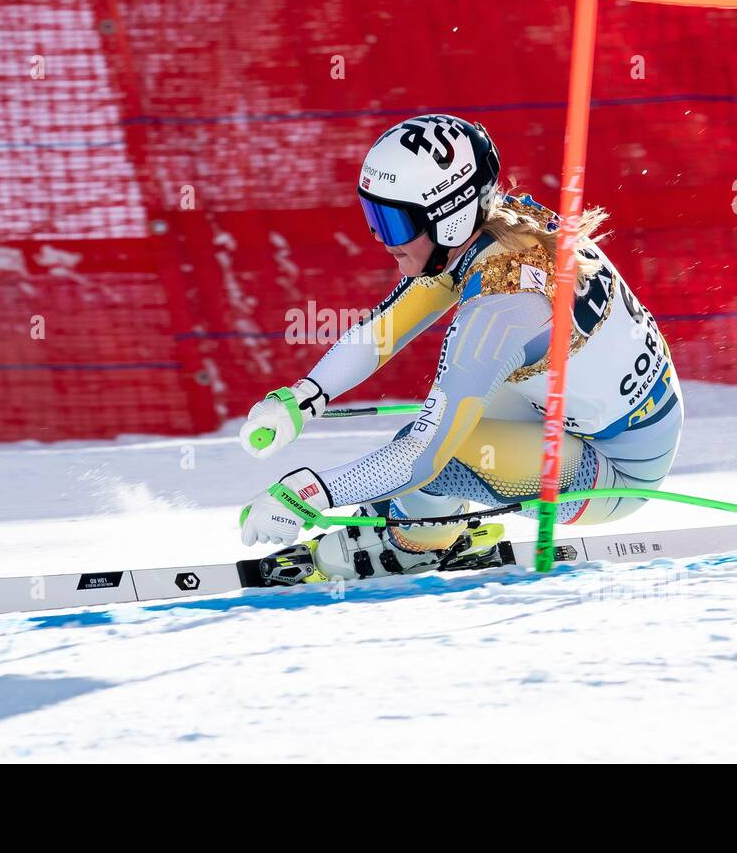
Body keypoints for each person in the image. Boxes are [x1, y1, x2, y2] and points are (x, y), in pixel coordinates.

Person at [238, 114, 682, 580]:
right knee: (432, 432)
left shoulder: (504, 304)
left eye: (392, 223)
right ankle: (430, 520)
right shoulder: (495, 229)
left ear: (449, 219)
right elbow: (383, 331)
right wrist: (302, 398)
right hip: (587, 413)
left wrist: (308, 494)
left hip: (614, 469)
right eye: (374, 218)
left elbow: (425, 453)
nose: (380, 240)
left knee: (436, 453)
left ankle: (417, 547)